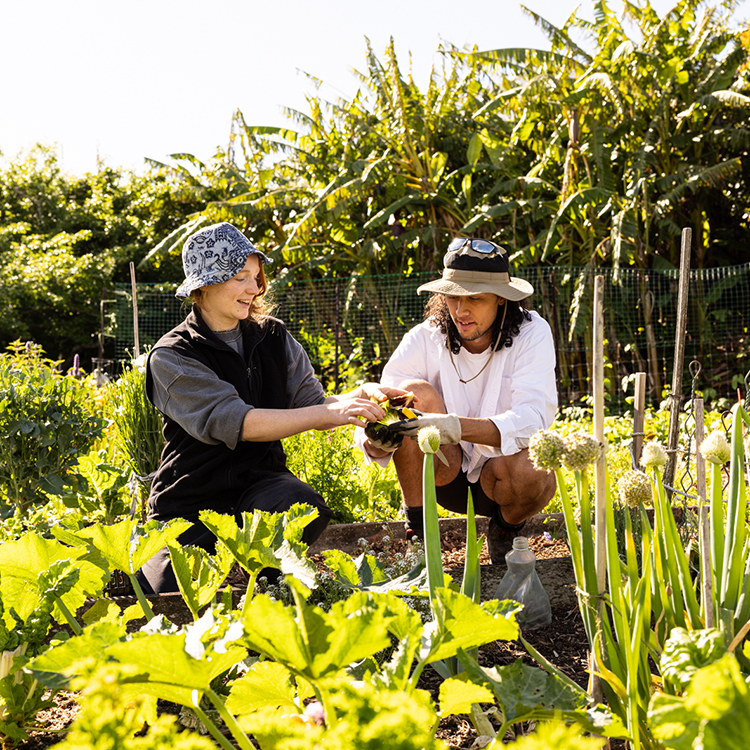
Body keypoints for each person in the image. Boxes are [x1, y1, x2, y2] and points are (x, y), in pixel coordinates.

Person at [139, 221, 408, 594]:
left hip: (258, 486)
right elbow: (237, 421)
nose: (254, 288)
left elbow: (313, 403)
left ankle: (270, 587)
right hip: (191, 501)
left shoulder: (273, 336)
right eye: (240, 277)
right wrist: (326, 414)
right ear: (204, 285)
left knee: (302, 505)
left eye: (256, 277)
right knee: (168, 595)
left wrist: (359, 397)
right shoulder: (173, 356)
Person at [357, 237, 558, 563]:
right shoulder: (427, 336)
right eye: (451, 298)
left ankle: (504, 530)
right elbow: (382, 398)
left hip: (500, 476)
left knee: (541, 467)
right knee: (410, 394)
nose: (460, 311)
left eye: (474, 299)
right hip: (441, 474)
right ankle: (418, 536)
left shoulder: (532, 334)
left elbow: (534, 418)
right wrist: (379, 437)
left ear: (502, 301)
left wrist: (453, 427)